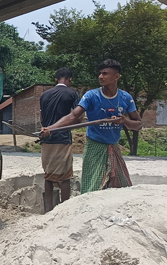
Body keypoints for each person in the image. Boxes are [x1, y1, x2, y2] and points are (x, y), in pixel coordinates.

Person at [41, 59, 142, 193]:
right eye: (100, 73)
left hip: (114, 146)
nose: (101, 76)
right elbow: (73, 116)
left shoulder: (125, 98)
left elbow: (138, 125)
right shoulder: (91, 96)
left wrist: (124, 121)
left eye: (105, 73)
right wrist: (50, 128)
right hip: (94, 145)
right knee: (92, 188)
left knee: (120, 187)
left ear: (116, 77)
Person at [38, 67, 78, 211]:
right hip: (63, 139)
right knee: (65, 176)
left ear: (56, 79)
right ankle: (64, 209)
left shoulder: (44, 95)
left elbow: (42, 118)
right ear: (70, 79)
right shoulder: (72, 94)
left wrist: (48, 128)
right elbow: (76, 117)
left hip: (46, 140)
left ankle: (48, 209)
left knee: (48, 176)